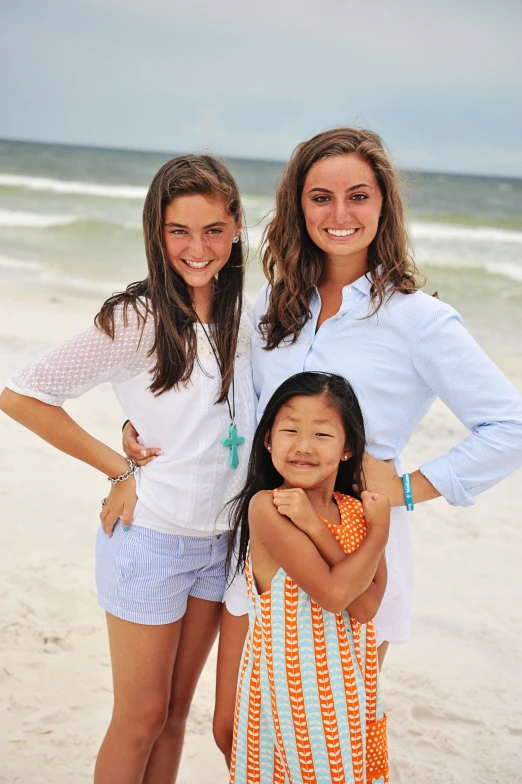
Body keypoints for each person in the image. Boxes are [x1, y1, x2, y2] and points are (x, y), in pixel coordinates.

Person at [123, 127, 522, 765]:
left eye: (357, 196)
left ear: (383, 205)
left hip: (355, 549)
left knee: (319, 744)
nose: (340, 214)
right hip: (260, 540)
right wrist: (135, 439)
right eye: (320, 197)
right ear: (297, 207)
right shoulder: (270, 306)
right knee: (235, 730)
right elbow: (225, 402)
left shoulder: (418, 320)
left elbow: (510, 426)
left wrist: (407, 491)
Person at [0, 154, 256, 784]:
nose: (198, 248)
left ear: (236, 228)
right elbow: (21, 393)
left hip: (222, 544)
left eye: (213, 230)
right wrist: (119, 469)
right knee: (139, 719)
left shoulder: (247, 311)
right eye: (179, 231)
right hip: (151, 542)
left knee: (174, 716)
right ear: (155, 231)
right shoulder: (134, 319)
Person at [227, 371, 390, 784]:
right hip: (295, 697)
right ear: (268, 439)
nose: (303, 446)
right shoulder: (268, 508)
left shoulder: (355, 513)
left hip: (349, 690)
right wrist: (381, 534)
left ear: (348, 447)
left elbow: (365, 607)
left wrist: (319, 529)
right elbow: (336, 594)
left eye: (321, 434)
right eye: (289, 430)